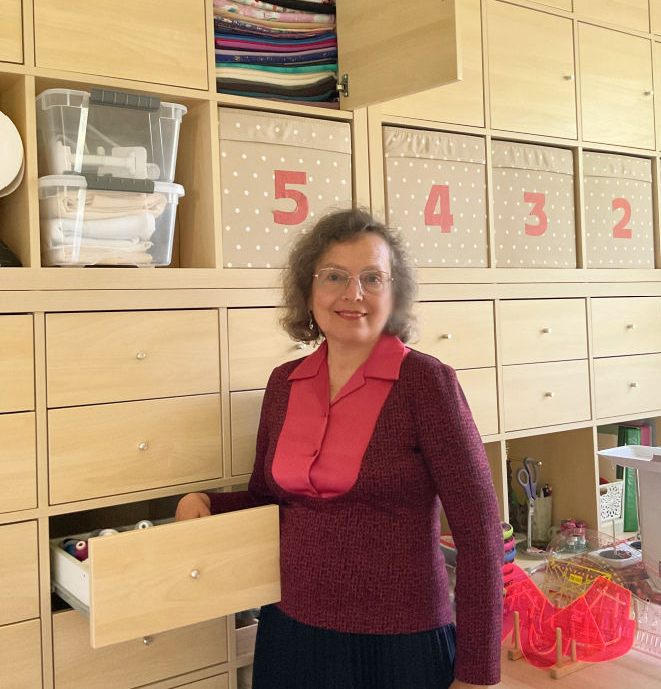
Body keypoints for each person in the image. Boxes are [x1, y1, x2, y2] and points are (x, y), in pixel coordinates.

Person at [176, 208, 503, 689]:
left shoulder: (427, 383)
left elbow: (480, 535)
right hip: (290, 635)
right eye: (335, 276)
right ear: (308, 291)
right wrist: (206, 503)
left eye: (373, 278)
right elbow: (269, 499)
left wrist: (478, 674)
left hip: (401, 644)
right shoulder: (283, 384)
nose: (354, 294)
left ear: (394, 294)